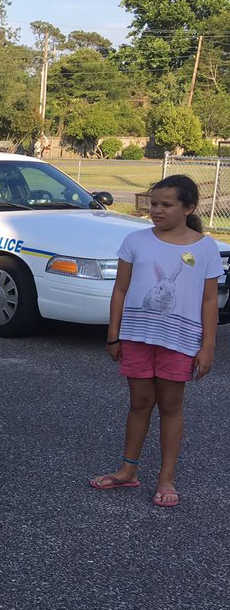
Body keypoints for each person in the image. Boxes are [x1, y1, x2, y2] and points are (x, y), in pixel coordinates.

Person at [91, 175, 220, 507]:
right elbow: (120, 290)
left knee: (171, 407)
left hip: (179, 341)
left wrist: (207, 346)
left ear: (188, 208)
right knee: (139, 403)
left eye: (167, 205)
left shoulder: (205, 248)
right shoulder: (135, 241)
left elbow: (209, 300)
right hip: (137, 337)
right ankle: (128, 470)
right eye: (153, 204)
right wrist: (114, 335)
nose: (157, 210)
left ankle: (166, 478)